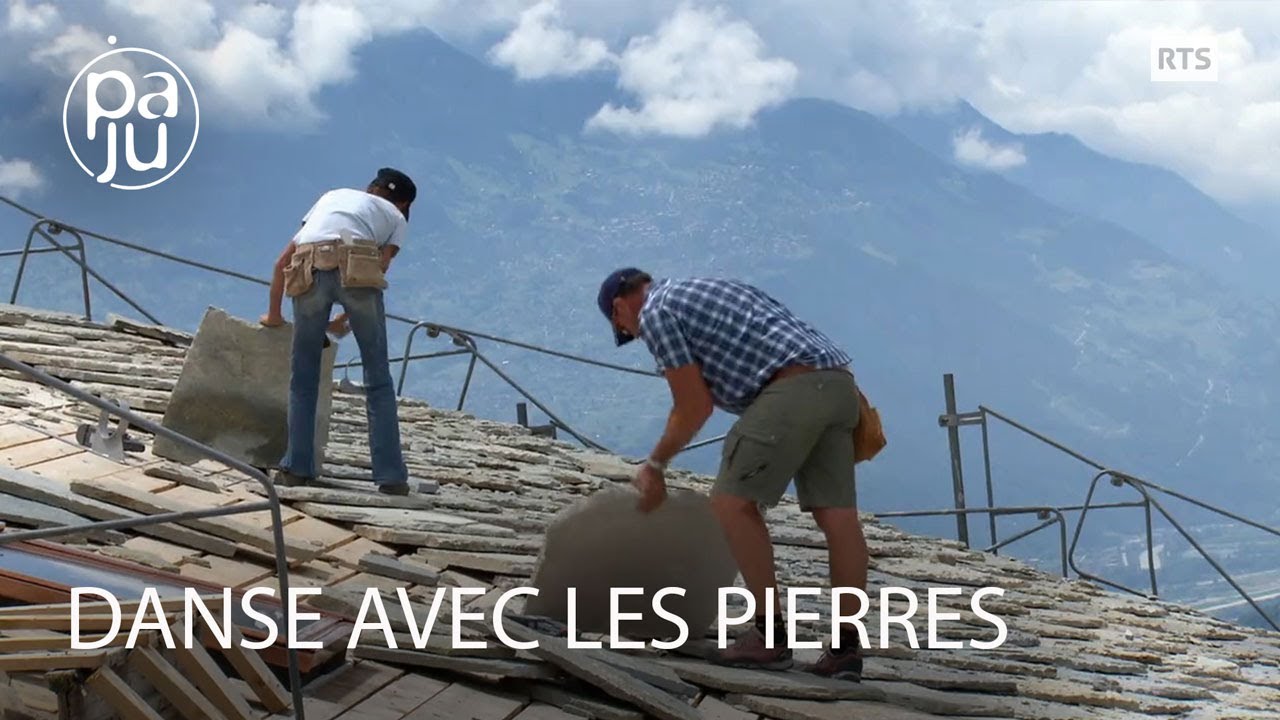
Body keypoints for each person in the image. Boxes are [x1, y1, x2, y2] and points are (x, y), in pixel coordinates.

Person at [597, 268, 867, 680]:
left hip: (791, 391)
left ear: (620, 307)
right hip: (838, 385)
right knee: (839, 518)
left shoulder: (655, 312)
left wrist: (654, 465)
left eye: (624, 330)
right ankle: (847, 649)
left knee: (730, 503)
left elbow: (694, 406)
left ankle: (769, 636)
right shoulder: (705, 286)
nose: (635, 334)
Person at [260, 168, 417, 495]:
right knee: (378, 379)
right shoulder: (396, 218)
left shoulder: (331, 197)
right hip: (356, 269)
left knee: (303, 376)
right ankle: (390, 476)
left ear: (369, 187)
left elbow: (281, 262)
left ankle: (296, 468)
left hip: (308, 266)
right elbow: (375, 270)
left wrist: (274, 315)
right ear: (402, 204)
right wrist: (347, 317)